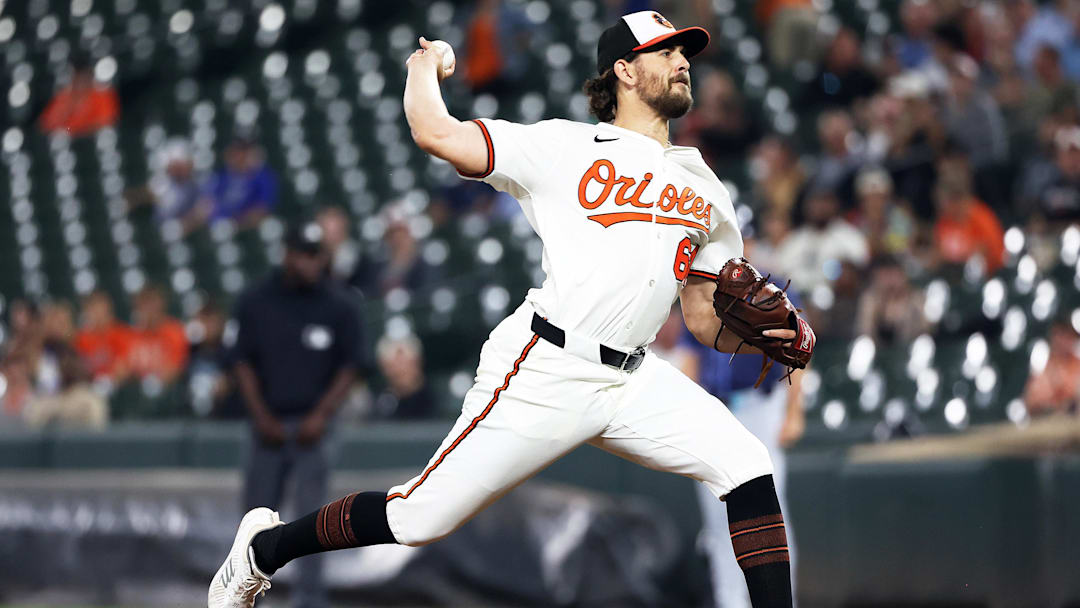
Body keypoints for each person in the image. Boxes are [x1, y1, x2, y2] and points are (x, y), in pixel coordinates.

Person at [210, 12, 811, 608]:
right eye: (666, 52)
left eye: (687, 53)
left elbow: (704, 319)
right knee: (418, 516)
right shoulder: (563, 146)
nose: (683, 62)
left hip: (632, 377)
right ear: (624, 70)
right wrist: (423, 68)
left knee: (746, 463)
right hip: (547, 364)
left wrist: (761, 332)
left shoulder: (704, 185)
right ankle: (264, 551)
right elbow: (435, 132)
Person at [227, 221, 364, 608]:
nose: (309, 263)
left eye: (315, 255)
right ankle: (243, 599)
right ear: (286, 254)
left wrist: (321, 416)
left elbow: (352, 365)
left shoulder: (339, 303)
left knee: (311, 525)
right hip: (265, 426)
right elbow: (241, 362)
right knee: (253, 522)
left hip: (314, 428)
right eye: (302, 254)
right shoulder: (256, 300)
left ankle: (309, 601)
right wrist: (260, 416)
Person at [202, 134, 278, 230]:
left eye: (243, 151)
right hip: (219, 223)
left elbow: (262, 209)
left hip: (245, 227)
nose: (239, 155)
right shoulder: (221, 175)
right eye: (236, 151)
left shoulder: (263, 177)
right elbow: (208, 203)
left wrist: (236, 222)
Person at [38, 53, 119, 137]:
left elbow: (104, 125)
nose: (81, 83)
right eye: (77, 77)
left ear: (90, 77)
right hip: (66, 142)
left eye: (84, 77)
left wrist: (73, 131)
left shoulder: (103, 97)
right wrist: (67, 110)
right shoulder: (63, 98)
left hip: (88, 143)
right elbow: (46, 126)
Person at [125, 286, 188, 385]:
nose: (149, 308)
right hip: (136, 389)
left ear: (162, 304)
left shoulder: (174, 331)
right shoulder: (132, 334)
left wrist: (156, 381)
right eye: (145, 303)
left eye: (152, 302)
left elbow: (175, 368)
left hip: (166, 391)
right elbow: (125, 367)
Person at [72, 291, 132, 383]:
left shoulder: (121, 333)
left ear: (108, 309)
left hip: (117, 387)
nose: (97, 313)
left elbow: (123, 368)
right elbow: (78, 369)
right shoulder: (81, 338)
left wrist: (109, 380)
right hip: (90, 387)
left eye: (100, 308)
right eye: (92, 308)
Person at [373, 333, 436, 420]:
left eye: (406, 361)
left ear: (418, 361)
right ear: (383, 367)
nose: (400, 367)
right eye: (394, 363)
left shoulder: (436, 401)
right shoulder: (376, 403)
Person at [1023, 320, 1080, 415]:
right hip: (1052, 422)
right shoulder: (1044, 366)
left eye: (1066, 336)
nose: (1062, 341)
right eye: (1059, 335)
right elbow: (1031, 401)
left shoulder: (1077, 364)